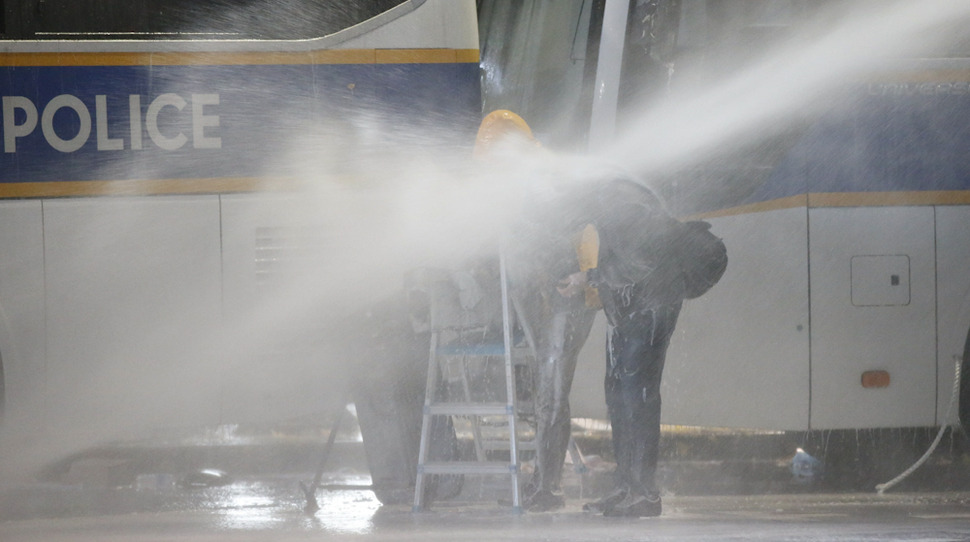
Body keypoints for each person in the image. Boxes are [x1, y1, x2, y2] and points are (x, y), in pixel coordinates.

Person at [555, 175, 687, 518]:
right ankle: (626, 487)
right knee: (617, 394)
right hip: (627, 309)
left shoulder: (623, 206)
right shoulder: (604, 209)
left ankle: (644, 494)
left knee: (637, 396)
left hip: (650, 308)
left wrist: (588, 277)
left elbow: (638, 263)